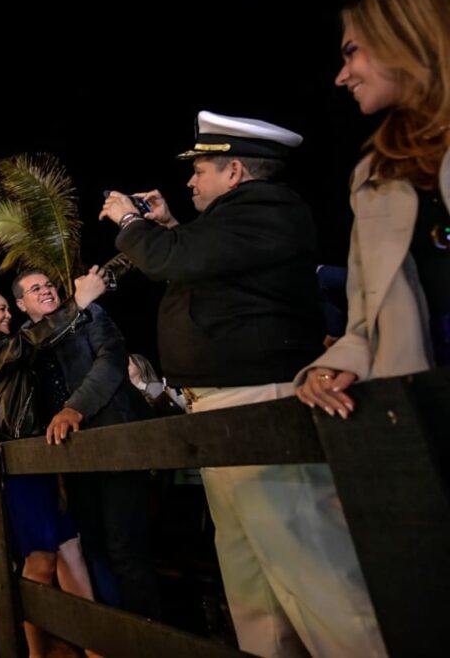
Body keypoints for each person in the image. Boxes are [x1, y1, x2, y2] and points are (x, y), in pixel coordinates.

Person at [101, 111, 383, 658]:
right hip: (224, 412)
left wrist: (131, 224)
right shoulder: (236, 220)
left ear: (234, 171)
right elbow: (204, 265)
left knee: (312, 572)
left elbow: (176, 262)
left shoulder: (270, 209)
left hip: (257, 405)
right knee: (254, 586)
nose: (189, 181)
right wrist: (167, 228)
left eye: (199, 169)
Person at [296, 0, 450, 418]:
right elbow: (366, 321)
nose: (341, 76)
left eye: (352, 52)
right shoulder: (374, 176)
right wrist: (333, 365)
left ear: (407, 38)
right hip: (428, 421)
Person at [0, 267, 107, 658]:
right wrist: (78, 304)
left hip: (32, 458)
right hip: (18, 461)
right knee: (40, 558)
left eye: (9, 309)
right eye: (1, 310)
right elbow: (28, 343)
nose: (8, 315)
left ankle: (92, 645)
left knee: (67, 546)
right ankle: (37, 650)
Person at [13, 269, 161, 617]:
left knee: (126, 547)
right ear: (21, 304)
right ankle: (112, 635)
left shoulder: (91, 312)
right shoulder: (24, 341)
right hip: (68, 456)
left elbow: (111, 361)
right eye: (36, 289)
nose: (47, 290)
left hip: (114, 442)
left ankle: (149, 634)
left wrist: (73, 408)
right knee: (92, 545)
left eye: (49, 284)